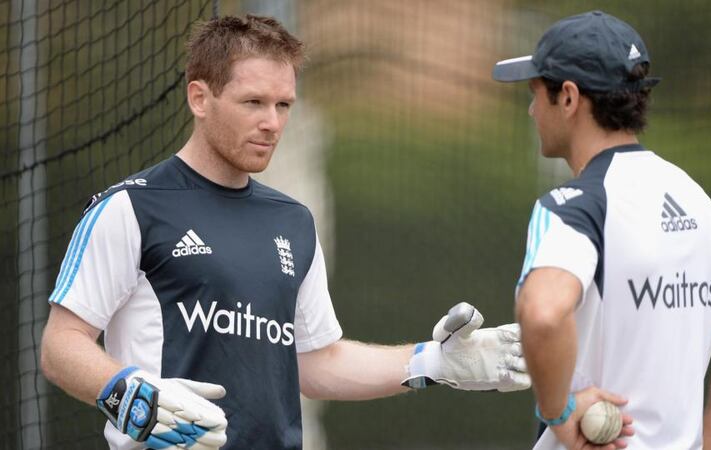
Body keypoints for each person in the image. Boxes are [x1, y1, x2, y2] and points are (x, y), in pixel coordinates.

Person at [40, 15, 530, 450]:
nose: (272, 123)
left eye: (283, 105)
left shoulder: (293, 221)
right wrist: (132, 396)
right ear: (199, 97)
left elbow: (318, 364)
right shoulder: (130, 206)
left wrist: (434, 363)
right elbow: (61, 345)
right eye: (253, 102)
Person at [492, 10, 711, 450]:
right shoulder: (698, 203)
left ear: (570, 98)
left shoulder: (571, 208)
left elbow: (542, 313)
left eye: (537, 93)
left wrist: (560, 412)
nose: (533, 108)